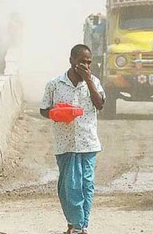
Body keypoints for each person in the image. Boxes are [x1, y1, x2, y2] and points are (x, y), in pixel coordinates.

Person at [40, 44, 105, 234]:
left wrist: (89, 81)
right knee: (69, 187)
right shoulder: (55, 84)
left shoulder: (94, 82)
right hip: (65, 143)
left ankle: (79, 226)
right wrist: (57, 113)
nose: (85, 65)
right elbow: (44, 109)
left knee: (86, 185)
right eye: (81, 62)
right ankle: (75, 223)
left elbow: (100, 104)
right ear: (71, 60)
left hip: (88, 142)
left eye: (88, 63)